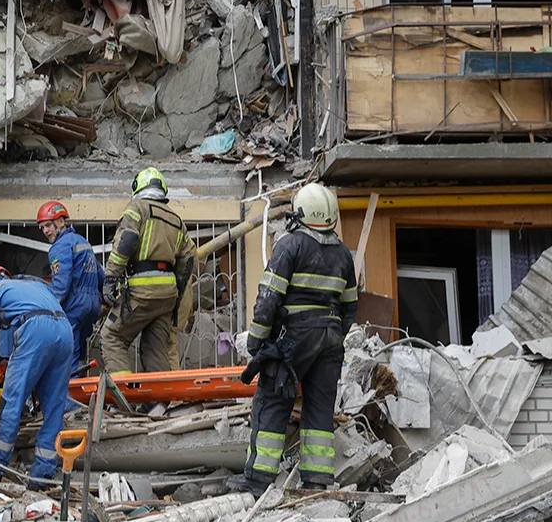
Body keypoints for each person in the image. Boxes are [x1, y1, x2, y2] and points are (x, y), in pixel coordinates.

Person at [227, 183, 359, 496]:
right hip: (331, 340)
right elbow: (351, 305)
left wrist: (256, 342)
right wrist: (334, 337)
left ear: (302, 213)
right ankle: (316, 481)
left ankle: (258, 479)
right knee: (320, 408)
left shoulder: (290, 245)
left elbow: (268, 298)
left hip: (293, 339)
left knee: (272, 401)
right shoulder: (343, 254)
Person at [0, 265, 73, 481]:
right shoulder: (32, 287)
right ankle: (44, 472)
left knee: (12, 400)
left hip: (36, 328)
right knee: (54, 405)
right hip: (65, 330)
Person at [99, 167, 196, 374]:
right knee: (155, 349)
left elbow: (126, 241)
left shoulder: (137, 208)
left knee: (112, 338)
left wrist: (111, 278)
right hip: (167, 296)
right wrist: (177, 295)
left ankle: (123, 391)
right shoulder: (177, 220)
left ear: (138, 186)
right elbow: (188, 260)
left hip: (141, 291)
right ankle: (160, 394)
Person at [37, 201, 104, 372]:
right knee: (81, 353)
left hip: (74, 307)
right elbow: (100, 275)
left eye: (48, 225)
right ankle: (79, 382)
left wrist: (49, 308)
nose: (45, 231)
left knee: (68, 355)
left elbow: (61, 284)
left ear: (61, 221)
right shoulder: (83, 242)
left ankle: (71, 387)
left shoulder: (59, 247)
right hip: (92, 307)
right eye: (42, 227)